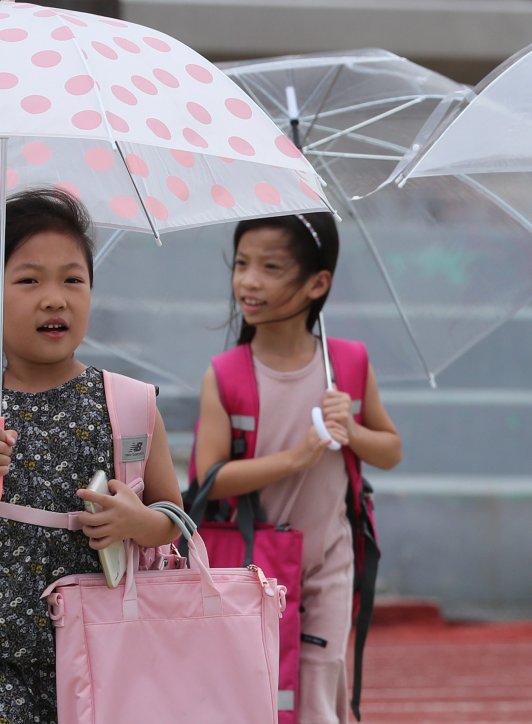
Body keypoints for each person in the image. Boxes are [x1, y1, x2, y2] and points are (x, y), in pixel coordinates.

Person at [0, 189, 182, 723]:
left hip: (105, 645)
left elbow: (174, 519)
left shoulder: (129, 403)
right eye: (29, 280)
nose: (55, 298)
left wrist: (137, 520)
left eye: (73, 279)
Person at [193, 212, 402, 724]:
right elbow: (209, 478)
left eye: (270, 267)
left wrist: (351, 431)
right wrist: (295, 459)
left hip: (329, 558)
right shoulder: (226, 374)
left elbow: (391, 449)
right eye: (242, 264)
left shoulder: (348, 365)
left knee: (318, 685)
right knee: (253, 692)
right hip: (251, 562)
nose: (248, 280)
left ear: (318, 283)